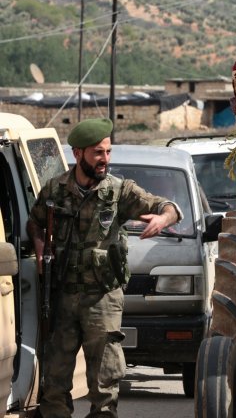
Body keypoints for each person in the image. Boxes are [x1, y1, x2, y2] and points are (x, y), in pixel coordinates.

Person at [26, 118, 182, 418]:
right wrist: (39, 243)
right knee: (54, 377)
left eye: (108, 152)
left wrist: (163, 219)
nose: (105, 159)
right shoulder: (55, 191)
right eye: (98, 153)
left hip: (102, 298)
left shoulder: (119, 191)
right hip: (62, 297)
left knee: (105, 378)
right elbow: (33, 220)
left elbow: (167, 206)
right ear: (78, 153)